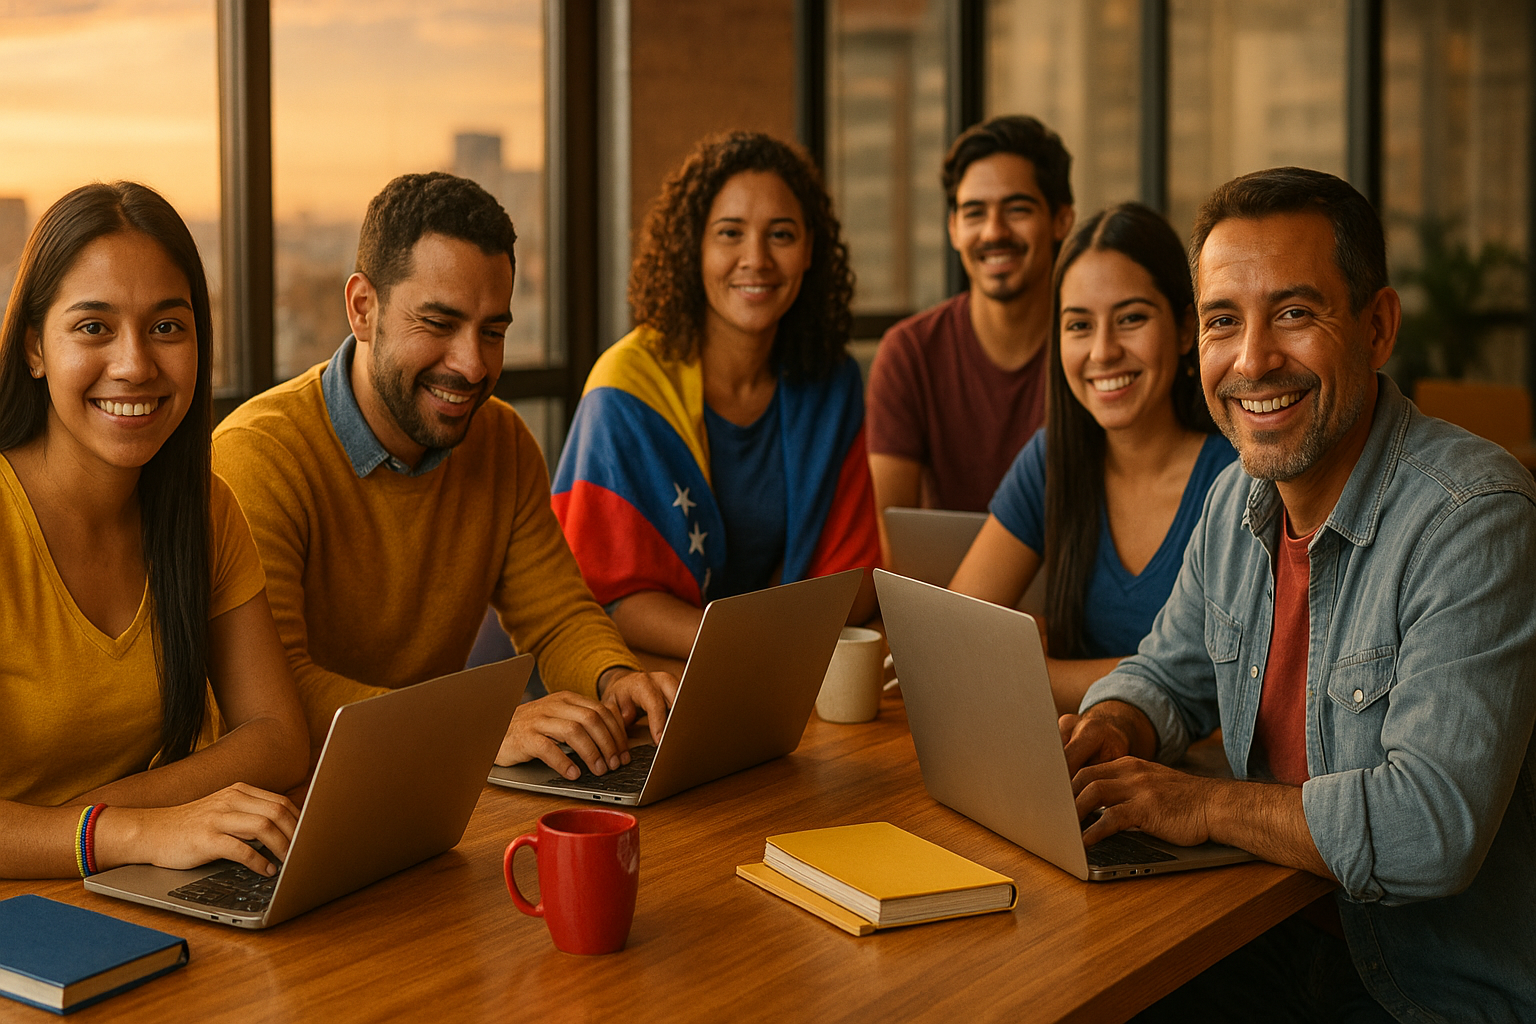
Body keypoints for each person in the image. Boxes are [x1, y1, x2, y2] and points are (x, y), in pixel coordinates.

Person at [1061, 168, 1536, 1022]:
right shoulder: (1236, 499)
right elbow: (1167, 674)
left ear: (1377, 326)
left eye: (1293, 313)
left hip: (1423, 992)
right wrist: (1110, 727)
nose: (1252, 361)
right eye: (1221, 322)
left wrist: (1200, 802)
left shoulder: (1474, 518)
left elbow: (1432, 828)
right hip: (1262, 940)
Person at [213, 173, 675, 783]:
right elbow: (278, 693)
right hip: (289, 797)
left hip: (430, 781)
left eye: (494, 331)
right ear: (363, 309)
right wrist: (476, 727)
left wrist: (616, 679)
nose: (473, 363)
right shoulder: (258, 455)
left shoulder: (503, 440)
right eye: (439, 323)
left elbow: (558, 616)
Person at [0, 182, 308, 880]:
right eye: (93, 327)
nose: (136, 364)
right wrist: (134, 831)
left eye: (167, 326)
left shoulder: (203, 510)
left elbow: (278, 738)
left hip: (127, 891)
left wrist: (100, 825)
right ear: (33, 348)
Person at [553, 132, 880, 665]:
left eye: (781, 234)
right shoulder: (625, 388)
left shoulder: (831, 382)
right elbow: (602, 597)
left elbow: (852, 576)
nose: (756, 259)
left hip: (778, 670)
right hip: (647, 673)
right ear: (693, 248)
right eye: (730, 233)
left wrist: (766, 646)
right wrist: (752, 644)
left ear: (810, 251)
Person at [951, 203, 1235, 715]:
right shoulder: (1052, 460)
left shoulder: (1236, 479)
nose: (1103, 352)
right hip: (1076, 763)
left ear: (1184, 329)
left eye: (1130, 319)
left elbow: (1223, 683)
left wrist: (1034, 668)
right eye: (1079, 326)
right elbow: (954, 638)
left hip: (1202, 779)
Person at [865, 115, 1075, 563]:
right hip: (944, 602)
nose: (994, 231)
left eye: (1017, 209)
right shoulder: (910, 353)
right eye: (975, 212)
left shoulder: (1097, 352)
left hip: (1070, 609)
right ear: (953, 228)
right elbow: (885, 533)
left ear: (1062, 220)